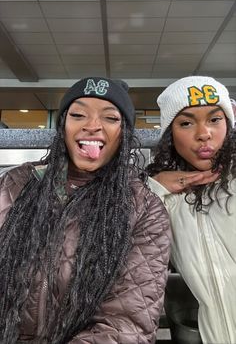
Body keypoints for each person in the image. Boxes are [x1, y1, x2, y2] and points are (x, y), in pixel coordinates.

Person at [0, 76, 171, 344]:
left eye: (111, 118)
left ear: (124, 133)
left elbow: (127, 325)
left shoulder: (145, 209)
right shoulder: (16, 184)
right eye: (78, 114)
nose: (92, 126)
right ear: (63, 126)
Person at [147, 75, 236, 344]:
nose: (204, 134)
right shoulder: (166, 198)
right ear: (169, 134)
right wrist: (153, 188)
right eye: (186, 122)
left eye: (215, 119)